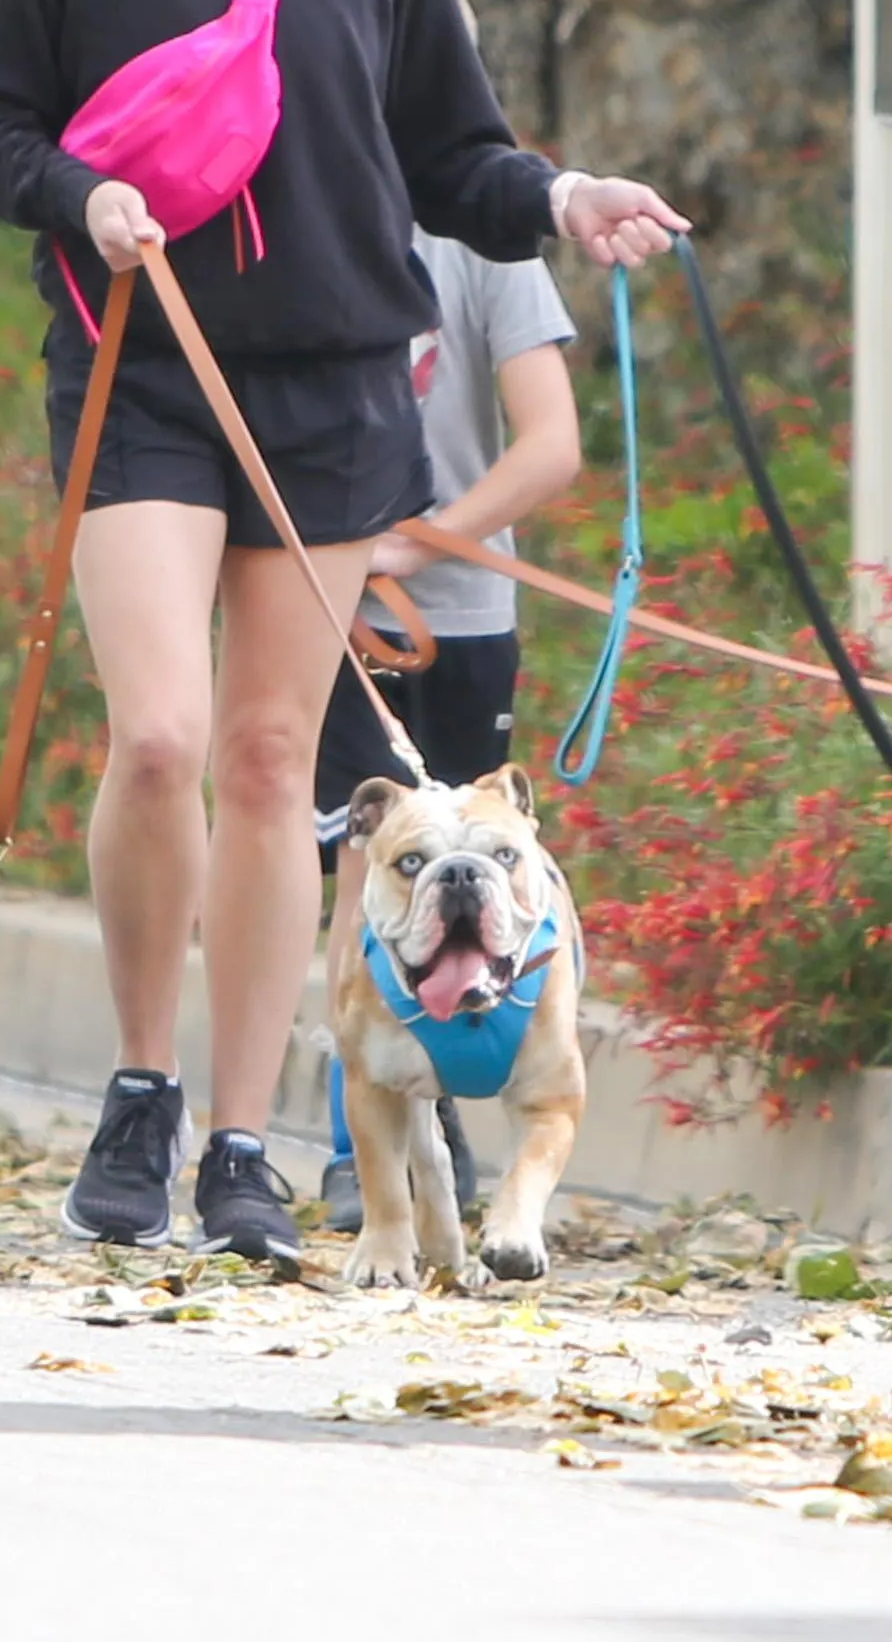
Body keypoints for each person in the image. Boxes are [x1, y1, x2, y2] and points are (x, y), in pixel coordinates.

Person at [0, 0, 686, 1267]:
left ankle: (238, 1141)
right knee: (162, 736)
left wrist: (563, 197)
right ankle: (140, 1087)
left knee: (278, 758)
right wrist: (77, 194)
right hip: (142, 372)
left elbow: (453, 153)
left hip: (340, 387)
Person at [310, 228, 579, 1230]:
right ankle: (363, 1141)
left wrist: (422, 544)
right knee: (367, 875)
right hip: (325, 607)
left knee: (479, 879)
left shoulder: (484, 238)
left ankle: (457, 1092)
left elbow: (551, 445)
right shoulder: (308, 204)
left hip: (464, 613)